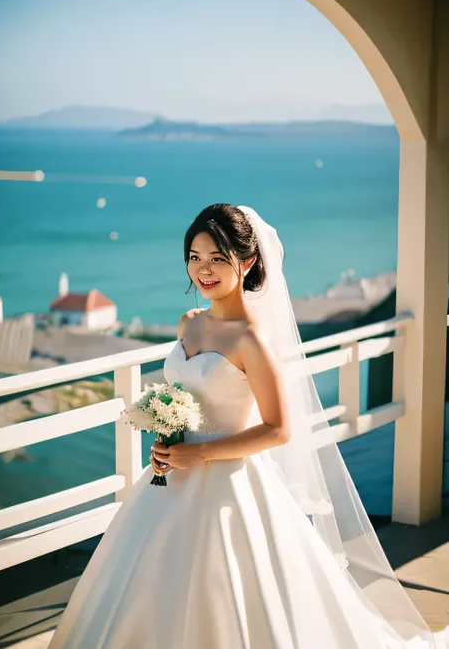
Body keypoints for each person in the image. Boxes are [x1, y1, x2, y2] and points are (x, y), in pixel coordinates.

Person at [47, 203, 449, 649]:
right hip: (170, 478)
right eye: (195, 258)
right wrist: (168, 433)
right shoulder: (189, 323)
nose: (204, 270)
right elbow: (187, 395)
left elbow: (279, 429)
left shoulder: (250, 339)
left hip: (230, 485)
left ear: (249, 262)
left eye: (218, 258)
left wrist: (200, 452)